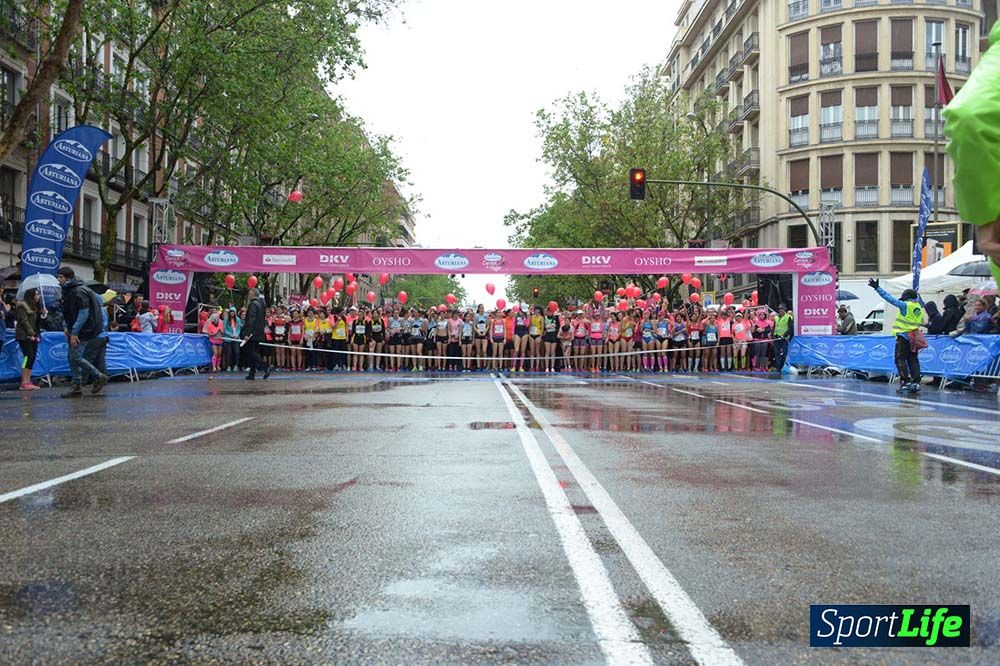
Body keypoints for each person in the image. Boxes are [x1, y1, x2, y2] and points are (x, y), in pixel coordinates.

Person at [56, 266, 109, 397]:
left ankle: (98, 376)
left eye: (60, 277)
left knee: (75, 356)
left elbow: (83, 313)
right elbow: (68, 312)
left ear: (67, 278)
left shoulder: (78, 291)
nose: (58, 280)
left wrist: (74, 332)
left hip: (84, 330)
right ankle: (77, 385)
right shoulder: (69, 291)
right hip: (78, 329)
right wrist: (66, 327)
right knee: (71, 356)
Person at [870, 279, 924, 393]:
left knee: (900, 359)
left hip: (904, 336)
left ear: (906, 297)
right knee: (913, 359)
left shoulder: (905, 305)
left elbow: (890, 299)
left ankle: (905, 381)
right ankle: (916, 381)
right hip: (914, 336)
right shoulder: (918, 307)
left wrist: (877, 288)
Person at [15, 288, 41, 390]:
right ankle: (24, 381)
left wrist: (43, 313)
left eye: (38, 294)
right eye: (36, 294)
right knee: (27, 356)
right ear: (31, 296)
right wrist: (31, 333)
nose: (38, 296)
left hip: (34, 336)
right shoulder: (23, 307)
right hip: (24, 336)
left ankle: (28, 380)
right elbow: (24, 321)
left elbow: (37, 322)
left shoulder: (36, 307)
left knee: (32, 357)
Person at [241, 287, 271, 380]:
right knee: (254, 352)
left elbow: (251, 319)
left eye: (249, 293)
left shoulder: (253, 304)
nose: (248, 295)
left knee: (251, 352)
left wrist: (247, 333)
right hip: (259, 332)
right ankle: (252, 373)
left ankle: (265, 366)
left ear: (253, 294)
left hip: (253, 332)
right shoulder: (262, 305)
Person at [772, 304, 794, 372]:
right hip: (777, 337)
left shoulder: (788, 317)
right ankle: (778, 367)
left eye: (782, 309)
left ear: (785, 310)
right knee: (776, 353)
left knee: (785, 353)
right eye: (779, 309)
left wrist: (785, 335)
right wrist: (773, 334)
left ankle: (783, 366)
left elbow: (790, 328)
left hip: (784, 338)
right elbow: (774, 327)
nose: (780, 310)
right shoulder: (776, 317)